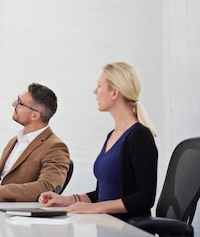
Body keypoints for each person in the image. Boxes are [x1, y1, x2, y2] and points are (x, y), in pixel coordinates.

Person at [39, 62, 158, 221]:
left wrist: (93, 209)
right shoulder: (112, 135)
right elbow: (103, 194)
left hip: (125, 228)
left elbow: (144, 198)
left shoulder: (140, 137)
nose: (95, 91)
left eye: (99, 86)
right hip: (104, 224)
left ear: (115, 92)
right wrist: (67, 200)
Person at [0, 83, 70, 202]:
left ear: (35, 116)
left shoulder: (55, 147)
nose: (13, 104)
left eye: (20, 103)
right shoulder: (15, 141)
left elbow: (47, 187)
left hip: (19, 215)